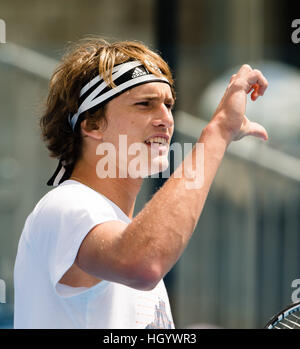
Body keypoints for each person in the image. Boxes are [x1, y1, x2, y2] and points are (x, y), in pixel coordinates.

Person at [13, 38, 268, 329]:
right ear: (92, 124)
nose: (165, 119)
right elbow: (145, 262)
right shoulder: (67, 205)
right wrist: (219, 129)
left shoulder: (117, 231)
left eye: (168, 105)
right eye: (145, 104)